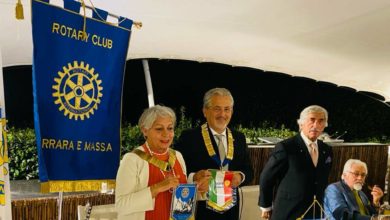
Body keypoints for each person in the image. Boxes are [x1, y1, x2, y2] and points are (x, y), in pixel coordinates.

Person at [176, 87, 254, 220]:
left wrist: (240, 177)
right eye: (217, 108)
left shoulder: (239, 137)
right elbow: (177, 172)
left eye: (227, 109)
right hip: (197, 210)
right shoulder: (189, 137)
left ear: (232, 111)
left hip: (230, 210)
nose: (222, 114)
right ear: (205, 111)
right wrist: (194, 178)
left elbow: (249, 170)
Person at [258, 105, 333, 219]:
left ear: (324, 125)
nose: (316, 125)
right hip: (288, 211)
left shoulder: (326, 150)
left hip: (315, 212)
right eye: (312, 120)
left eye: (321, 121)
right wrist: (266, 206)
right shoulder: (286, 147)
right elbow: (266, 178)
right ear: (301, 123)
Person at [115, 105, 188, 220]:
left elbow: (182, 195)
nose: (166, 134)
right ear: (145, 130)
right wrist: (157, 188)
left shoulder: (177, 156)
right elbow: (120, 205)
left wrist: (197, 186)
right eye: (159, 129)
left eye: (170, 128)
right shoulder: (132, 159)